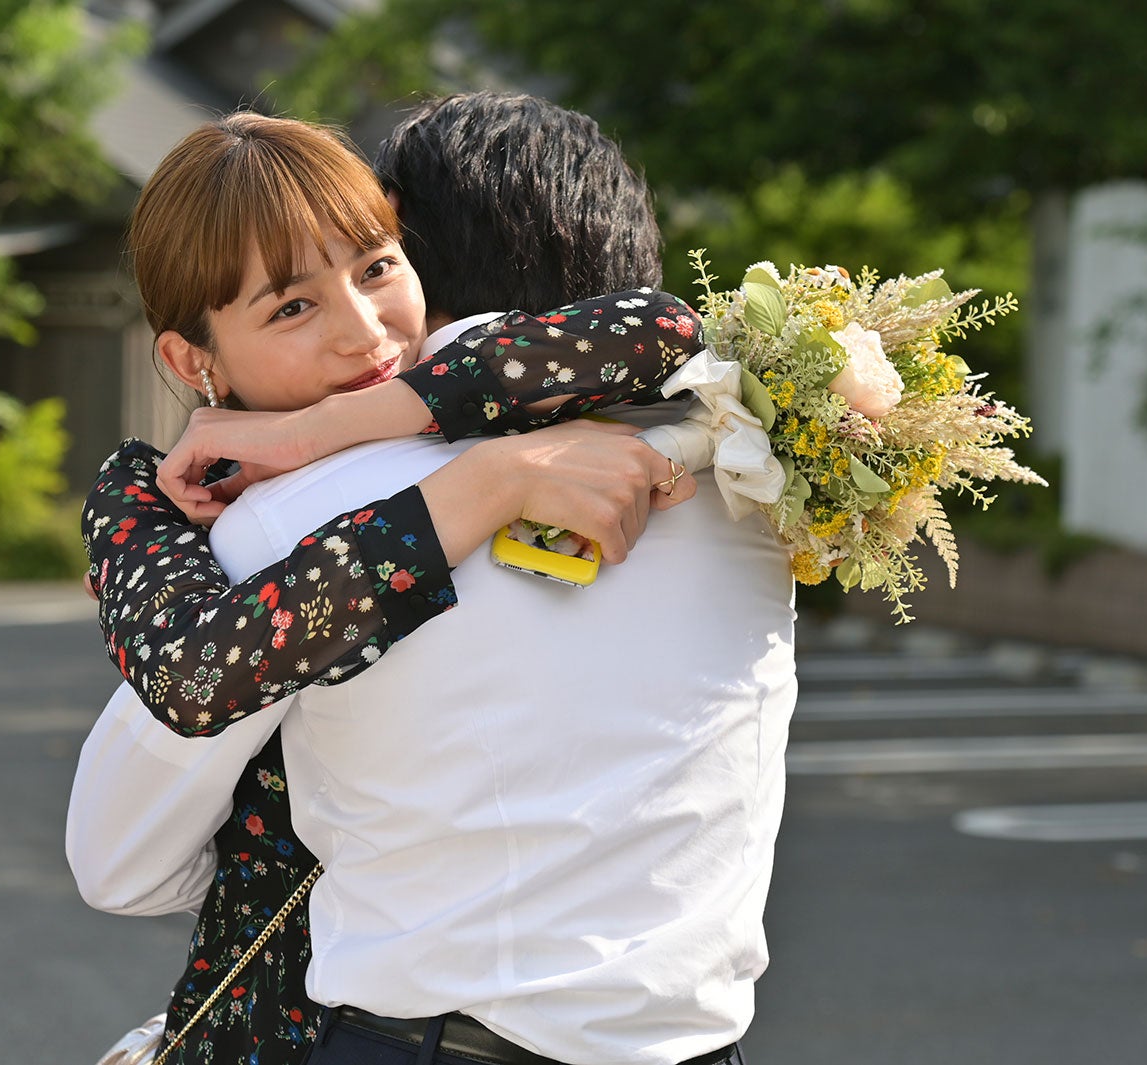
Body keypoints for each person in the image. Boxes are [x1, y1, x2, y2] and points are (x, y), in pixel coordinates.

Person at [68, 104, 708, 1065]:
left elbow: (660, 325)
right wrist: (491, 482)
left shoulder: (469, 416)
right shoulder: (176, 513)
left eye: (378, 268)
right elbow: (196, 682)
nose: (364, 331)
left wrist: (332, 435)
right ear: (190, 359)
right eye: (291, 306)